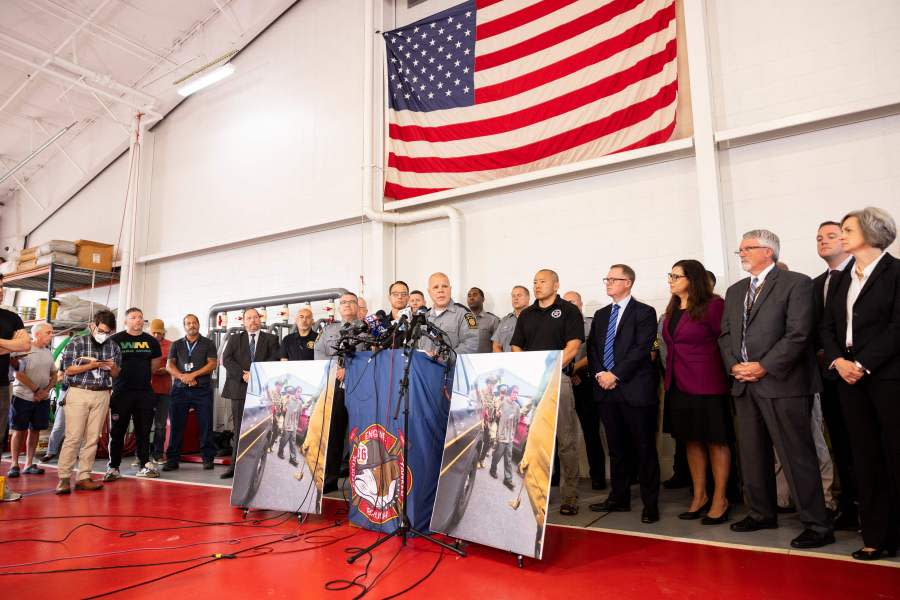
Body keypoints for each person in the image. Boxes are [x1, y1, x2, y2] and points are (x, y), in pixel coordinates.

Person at [719, 229, 833, 549]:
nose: (740, 253)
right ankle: (760, 512)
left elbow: (799, 334)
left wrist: (764, 365)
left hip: (784, 383)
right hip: (744, 384)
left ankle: (816, 523)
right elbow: (725, 336)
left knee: (796, 454)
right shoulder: (736, 290)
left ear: (768, 252)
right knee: (753, 454)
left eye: (747, 248)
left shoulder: (796, 283)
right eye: (739, 249)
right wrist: (734, 366)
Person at [820, 207, 900, 561]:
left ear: (871, 232)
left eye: (848, 229)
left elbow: (897, 328)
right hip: (848, 378)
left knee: (895, 455)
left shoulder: (896, 273)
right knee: (863, 458)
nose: (841, 233)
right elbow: (827, 328)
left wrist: (863, 363)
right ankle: (877, 535)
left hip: (886, 376)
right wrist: (839, 361)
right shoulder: (841, 279)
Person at [587, 265, 660, 524]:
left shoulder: (644, 312)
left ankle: (651, 504)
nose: (607, 282)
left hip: (634, 390)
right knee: (616, 449)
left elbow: (642, 350)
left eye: (613, 279)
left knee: (644, 448)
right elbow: (593, 348)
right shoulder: (601, 314)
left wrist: (614, 374)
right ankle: (619, 497)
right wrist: (599, 374)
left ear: (628, 282)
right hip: (606, 392)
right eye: (606, 278)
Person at [661, 260, 731, 524]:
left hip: (707, 383)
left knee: (715, 441)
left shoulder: (713, 305)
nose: (670, 279)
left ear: (692, 279)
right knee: (690, 440)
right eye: (670, 275)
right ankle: (699, 496)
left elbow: (724, 341)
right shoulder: (672, 308)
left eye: (675, 275)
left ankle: (720, 499)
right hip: (678, 384)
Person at [510, 269, 583, 516]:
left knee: (566, 441)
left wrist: (550, 367)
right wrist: (529, 368)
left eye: (542, 281)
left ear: (556, 284)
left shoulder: (568, 311)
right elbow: (515, 345)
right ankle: (532, 493)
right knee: (531, 442)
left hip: (557, 380)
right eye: (535, 282)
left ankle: (570, 497)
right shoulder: (527, 314)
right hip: (530, 384)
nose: (537, 285)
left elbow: (573, 346)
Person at [811, 220, 858, 530]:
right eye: (818, 238)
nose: (823, 241)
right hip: (828, 377)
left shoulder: (861, 274)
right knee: (841, 444)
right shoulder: (816, 284)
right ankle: (851, 505)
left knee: (867, 444)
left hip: (861, 373)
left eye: (831, 236)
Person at [56, 310, 122, 494]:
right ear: (93, 325)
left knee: (92, 438)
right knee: (73, 437)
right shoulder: (76, 342)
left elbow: (116, 374)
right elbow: (67, 370)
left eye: (108, 332)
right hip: (78, 392)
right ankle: (64, 477)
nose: (104, 335)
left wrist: (113, 367)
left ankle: (84, 476)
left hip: (102, 394)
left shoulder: (114, 347)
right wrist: (91, 366)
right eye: (101, 330)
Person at [221, 308, 280, 478]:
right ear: (243, 321)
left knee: (263, 428)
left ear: (260, 319)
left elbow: (275, 359)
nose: (252, 321)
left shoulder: (271, 339)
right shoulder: (234, 339)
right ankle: (235, 466)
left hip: (262, 389)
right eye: (249, 318)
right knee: (239, 428)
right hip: (239, 388)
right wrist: (243, 374)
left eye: (255, 317)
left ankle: (262, 467)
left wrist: (255, 373)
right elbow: (227, 359)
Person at [315, 292, 365, 492]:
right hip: (334, 386)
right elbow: (319, 353)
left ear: (358, 307)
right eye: (343, 302)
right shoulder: (328, 330)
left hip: (359, 386)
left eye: (350, 302)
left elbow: (370, 355)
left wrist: (350, 370)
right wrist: (337, 369)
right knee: (333, 432)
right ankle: (329, 479)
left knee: (359, 434)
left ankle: (360, 480)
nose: (346, 305)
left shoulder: (366, 330)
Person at [105, 307, 163, 481]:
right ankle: (113, 467)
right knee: (117, 431)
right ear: (126, 321)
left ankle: (144, 463)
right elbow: (109, 365)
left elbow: (155, 364)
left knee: (144, 431)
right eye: (133, 317)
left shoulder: (151, 341)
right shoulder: (115, 340)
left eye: (140, 317)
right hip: (121, 393)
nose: (138, 320)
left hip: (144, 392)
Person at [163, 314, 219, 472]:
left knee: (205, 425)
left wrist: (193, 375)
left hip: (202, 390)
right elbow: (169, 365)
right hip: (180, 390)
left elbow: (212, 364)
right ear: (184, 326)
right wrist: (183, 377)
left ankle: (208, 458)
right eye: (188, 323)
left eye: (194, 322)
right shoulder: (176, 345)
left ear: (199, 325)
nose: (192, 325)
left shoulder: (208, 343)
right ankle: (172, 459)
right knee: (176, 426)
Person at [563, 290, 607, 491]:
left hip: (587, 383)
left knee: (591, 433)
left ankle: (597, 476)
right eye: (566, 302)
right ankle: (560, 478)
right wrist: (567, 371)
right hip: (564, 382)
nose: (569, 305)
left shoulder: (591, 324)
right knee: (562, 434)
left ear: (580, 305)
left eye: (573, 302)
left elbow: (595, 353)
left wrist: (575, 369)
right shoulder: (560, 326)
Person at [8, 323, 58, 478]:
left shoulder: (48, 352)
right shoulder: (24, 350)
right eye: (48, 332)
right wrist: (37, 390)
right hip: (22, 396)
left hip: (42, 399)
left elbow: (54, 374)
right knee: (19, 430)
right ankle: (14, 464)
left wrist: (45, 391)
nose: (51, 335)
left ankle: (29, 464)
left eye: (52, 332)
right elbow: (18, 374)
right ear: (37, 334)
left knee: (35, 430)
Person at [0, 274, 31, 480]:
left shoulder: (11, 317)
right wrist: (10, 343)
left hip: (1, 385)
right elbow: (16, 345)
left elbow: (25, 345)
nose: (0, 291)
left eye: (1, 286)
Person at [420, 273, 479, 355]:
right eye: (435, 287)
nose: (440, 290)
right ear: (429, 292)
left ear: (450, 289)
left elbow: (471, 344)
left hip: (451, 367)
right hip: (423, 366)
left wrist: (443, 357)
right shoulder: (423, 317)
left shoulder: (465, 314)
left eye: (444, 286)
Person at [149, 319, 172, 464]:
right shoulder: (145, 344)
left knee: (160, 424)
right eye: (154, 332)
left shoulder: (170, 345)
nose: (157, 335)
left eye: (159, 332)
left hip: (164, 390)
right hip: (147, 389)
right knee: (144, 424)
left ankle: (158, 454)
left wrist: (166, 370)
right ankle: (141, 456)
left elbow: (173, 364)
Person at [490, 384, 519, 491]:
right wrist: (498, 415)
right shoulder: (503, 403)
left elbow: (517, 421)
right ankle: (493, 469)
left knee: (509, 458)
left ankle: (508, 479)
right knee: (498, 454)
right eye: (514, 393)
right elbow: (497, 416)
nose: (515, 395)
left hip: (510, 437)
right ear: (510, 393)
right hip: (502, 435)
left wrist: (512, 433)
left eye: (517, 393)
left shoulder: (517, 407)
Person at [492, 285, 529, 353]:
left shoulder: (535, 318)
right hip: (506, 362)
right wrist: (504, 361)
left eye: (519, 295)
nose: (516, 298)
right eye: (513, 296)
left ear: (528, 298)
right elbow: (496, 346)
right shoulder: (505, 320)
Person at [466, 287, 499, 353]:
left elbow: (497, 347)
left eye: (475, 295)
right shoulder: (461, 320)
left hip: (485, 362)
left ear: (483, 299)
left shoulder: (493, 320)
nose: (471, 298)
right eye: (469, 296)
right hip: (464, 361)